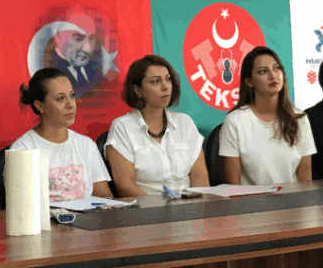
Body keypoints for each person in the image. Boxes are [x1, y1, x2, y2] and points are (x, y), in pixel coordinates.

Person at [106, 55, 209, 196]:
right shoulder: (123, 127)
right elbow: (125, 187)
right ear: (138, 90)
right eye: (155, 81)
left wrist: (196, 204)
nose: (165, 86)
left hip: (190, 204)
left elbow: (200, 179)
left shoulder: (185, 122)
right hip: (147, 207)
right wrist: (161, 206)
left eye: (168, 79)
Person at [219, 46, 316, 185]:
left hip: (293, 197)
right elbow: (233, 185)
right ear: (249, 81)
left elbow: (305, 181)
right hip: (251, 198)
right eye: (263, 71)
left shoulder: (300, 118)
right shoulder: (235, 121)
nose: (273, 75)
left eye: (276, 68)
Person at [12, 68, 112, 201]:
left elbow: (104, 196)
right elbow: (22, 205)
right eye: (60, 98)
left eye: (72, 95)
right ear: (40, 105)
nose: (70, 105)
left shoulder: (86, 145)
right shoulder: (23, 149)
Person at [47, 24, 103, 97]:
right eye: (78, 38)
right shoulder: (46, 73)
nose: (88, 49)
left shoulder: (97, 68)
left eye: (92, 38)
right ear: (57, 34)